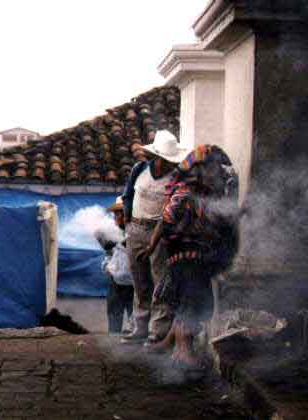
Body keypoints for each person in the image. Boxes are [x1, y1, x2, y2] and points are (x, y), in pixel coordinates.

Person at [137, 145, 239, 367]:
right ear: (198, 170)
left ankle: (169, 341)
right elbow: (165, 222)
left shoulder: (209, 192)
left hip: (198, 257)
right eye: (211, 167)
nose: (217, 172)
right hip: (185, 258)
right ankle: (183, 352)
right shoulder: (184, 193)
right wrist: (151, 247)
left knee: (187, 300)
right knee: (191, 303)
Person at [121, 130, 189, 345]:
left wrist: (157, 239)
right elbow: (127, 195)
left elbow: (171, 211)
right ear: (157, 158)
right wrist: (127, 221)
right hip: (136, 228)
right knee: (139, 279)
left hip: (160, 231)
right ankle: (140, 326)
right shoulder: (139, 170)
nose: (170, 164)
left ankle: (157, 329)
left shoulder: (177, 178)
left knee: (160, 280)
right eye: (166, 160)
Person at [101, 196, 134, 336]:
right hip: (115, 283)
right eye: (115, 213)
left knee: (137, 321)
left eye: (120, 212)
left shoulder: (136, 232)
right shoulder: (112, 234)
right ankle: (113, 347)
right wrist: (106, 267)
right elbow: (108, 256)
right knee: (114, 320)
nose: (117, 216)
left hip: (135, 285)